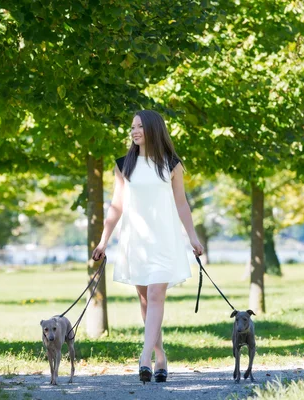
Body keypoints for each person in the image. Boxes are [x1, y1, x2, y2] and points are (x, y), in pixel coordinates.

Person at [92, 110, 204, 383]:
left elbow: (181, 204)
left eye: (140, 126)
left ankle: (144, 357)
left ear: (154, 129)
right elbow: (116, 206)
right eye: (132, 127)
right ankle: (160, 355)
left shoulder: (171, 164)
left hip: (164, 240)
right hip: (135, 242)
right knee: (145, 300)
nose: (134, 131)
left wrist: (193, 237)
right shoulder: (124, 165)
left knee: (155, 296)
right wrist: (103, 241)